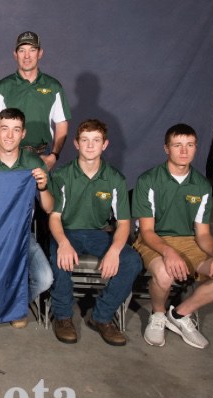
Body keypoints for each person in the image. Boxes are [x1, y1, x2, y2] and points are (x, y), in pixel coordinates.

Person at [132, 123, 213, 349]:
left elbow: (202, 234)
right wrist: (169, 252)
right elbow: (147, 231)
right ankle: (158, 314)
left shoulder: (201, 186)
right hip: (153, 240)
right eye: (177, 145)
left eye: (189, 145)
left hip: (189, 242)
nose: (184, 151)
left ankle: (180, 315)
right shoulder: (148, 180)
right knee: (164, 273)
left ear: (196, 148)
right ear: (166, 149)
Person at [48, 119, 141, 346]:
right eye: (85, 140)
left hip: (99, 233)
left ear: (105, 145)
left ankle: (101, 317)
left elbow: (123, 222)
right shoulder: (62, 175)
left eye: (96, 140)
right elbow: (54, 217)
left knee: (131, 261)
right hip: (66, 231)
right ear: (76, 144)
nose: (90, 146)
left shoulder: (114, 178)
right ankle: (62, 316)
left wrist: (115, 250)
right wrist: (63, 243)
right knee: (60, 258)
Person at [0, 108, 54, 329]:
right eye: (5, 129)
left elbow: (49, 208)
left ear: (23, 134)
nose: (9, 135)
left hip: (21, 236)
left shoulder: (33, 164)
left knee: (45, 278)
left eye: (15, 130)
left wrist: (43, 186)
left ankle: (14, 306)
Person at [0, 31, 71, 171]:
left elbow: (61, 124)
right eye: (22, 50)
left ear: (40, 53)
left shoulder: (53, 86)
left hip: (42, 156)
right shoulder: (3, 87)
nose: (27, 56)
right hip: (10, 157)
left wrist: (54, 156)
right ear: (15, 54)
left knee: (42, 193)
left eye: (32, 50)